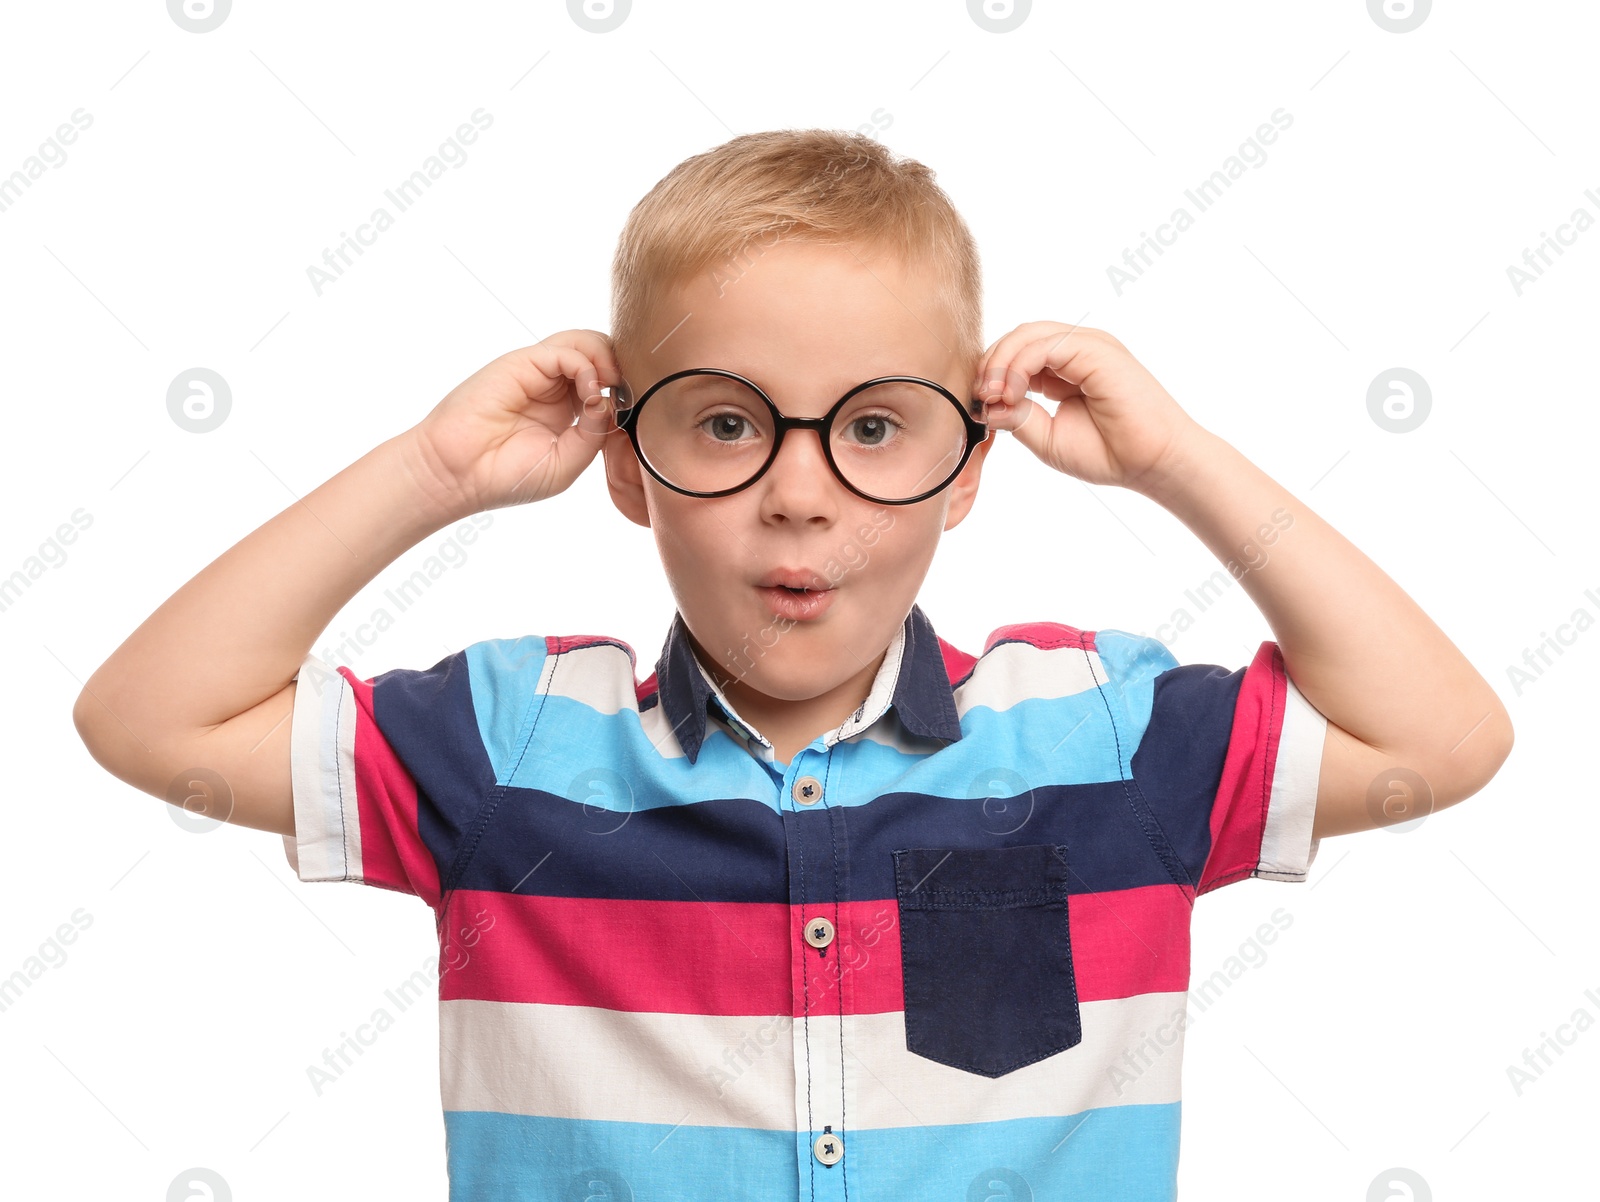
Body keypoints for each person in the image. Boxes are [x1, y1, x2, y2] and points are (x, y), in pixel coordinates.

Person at [72, 128, 1513, 1201]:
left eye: (876, 426)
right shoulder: (513, 747)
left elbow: (1443, 740)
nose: (800, 492)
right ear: (630, 466)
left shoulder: (1104, 734)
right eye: (724, 423)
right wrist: (434, 469)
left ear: (969, 470)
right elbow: (149, 716)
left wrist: (1176, 460)